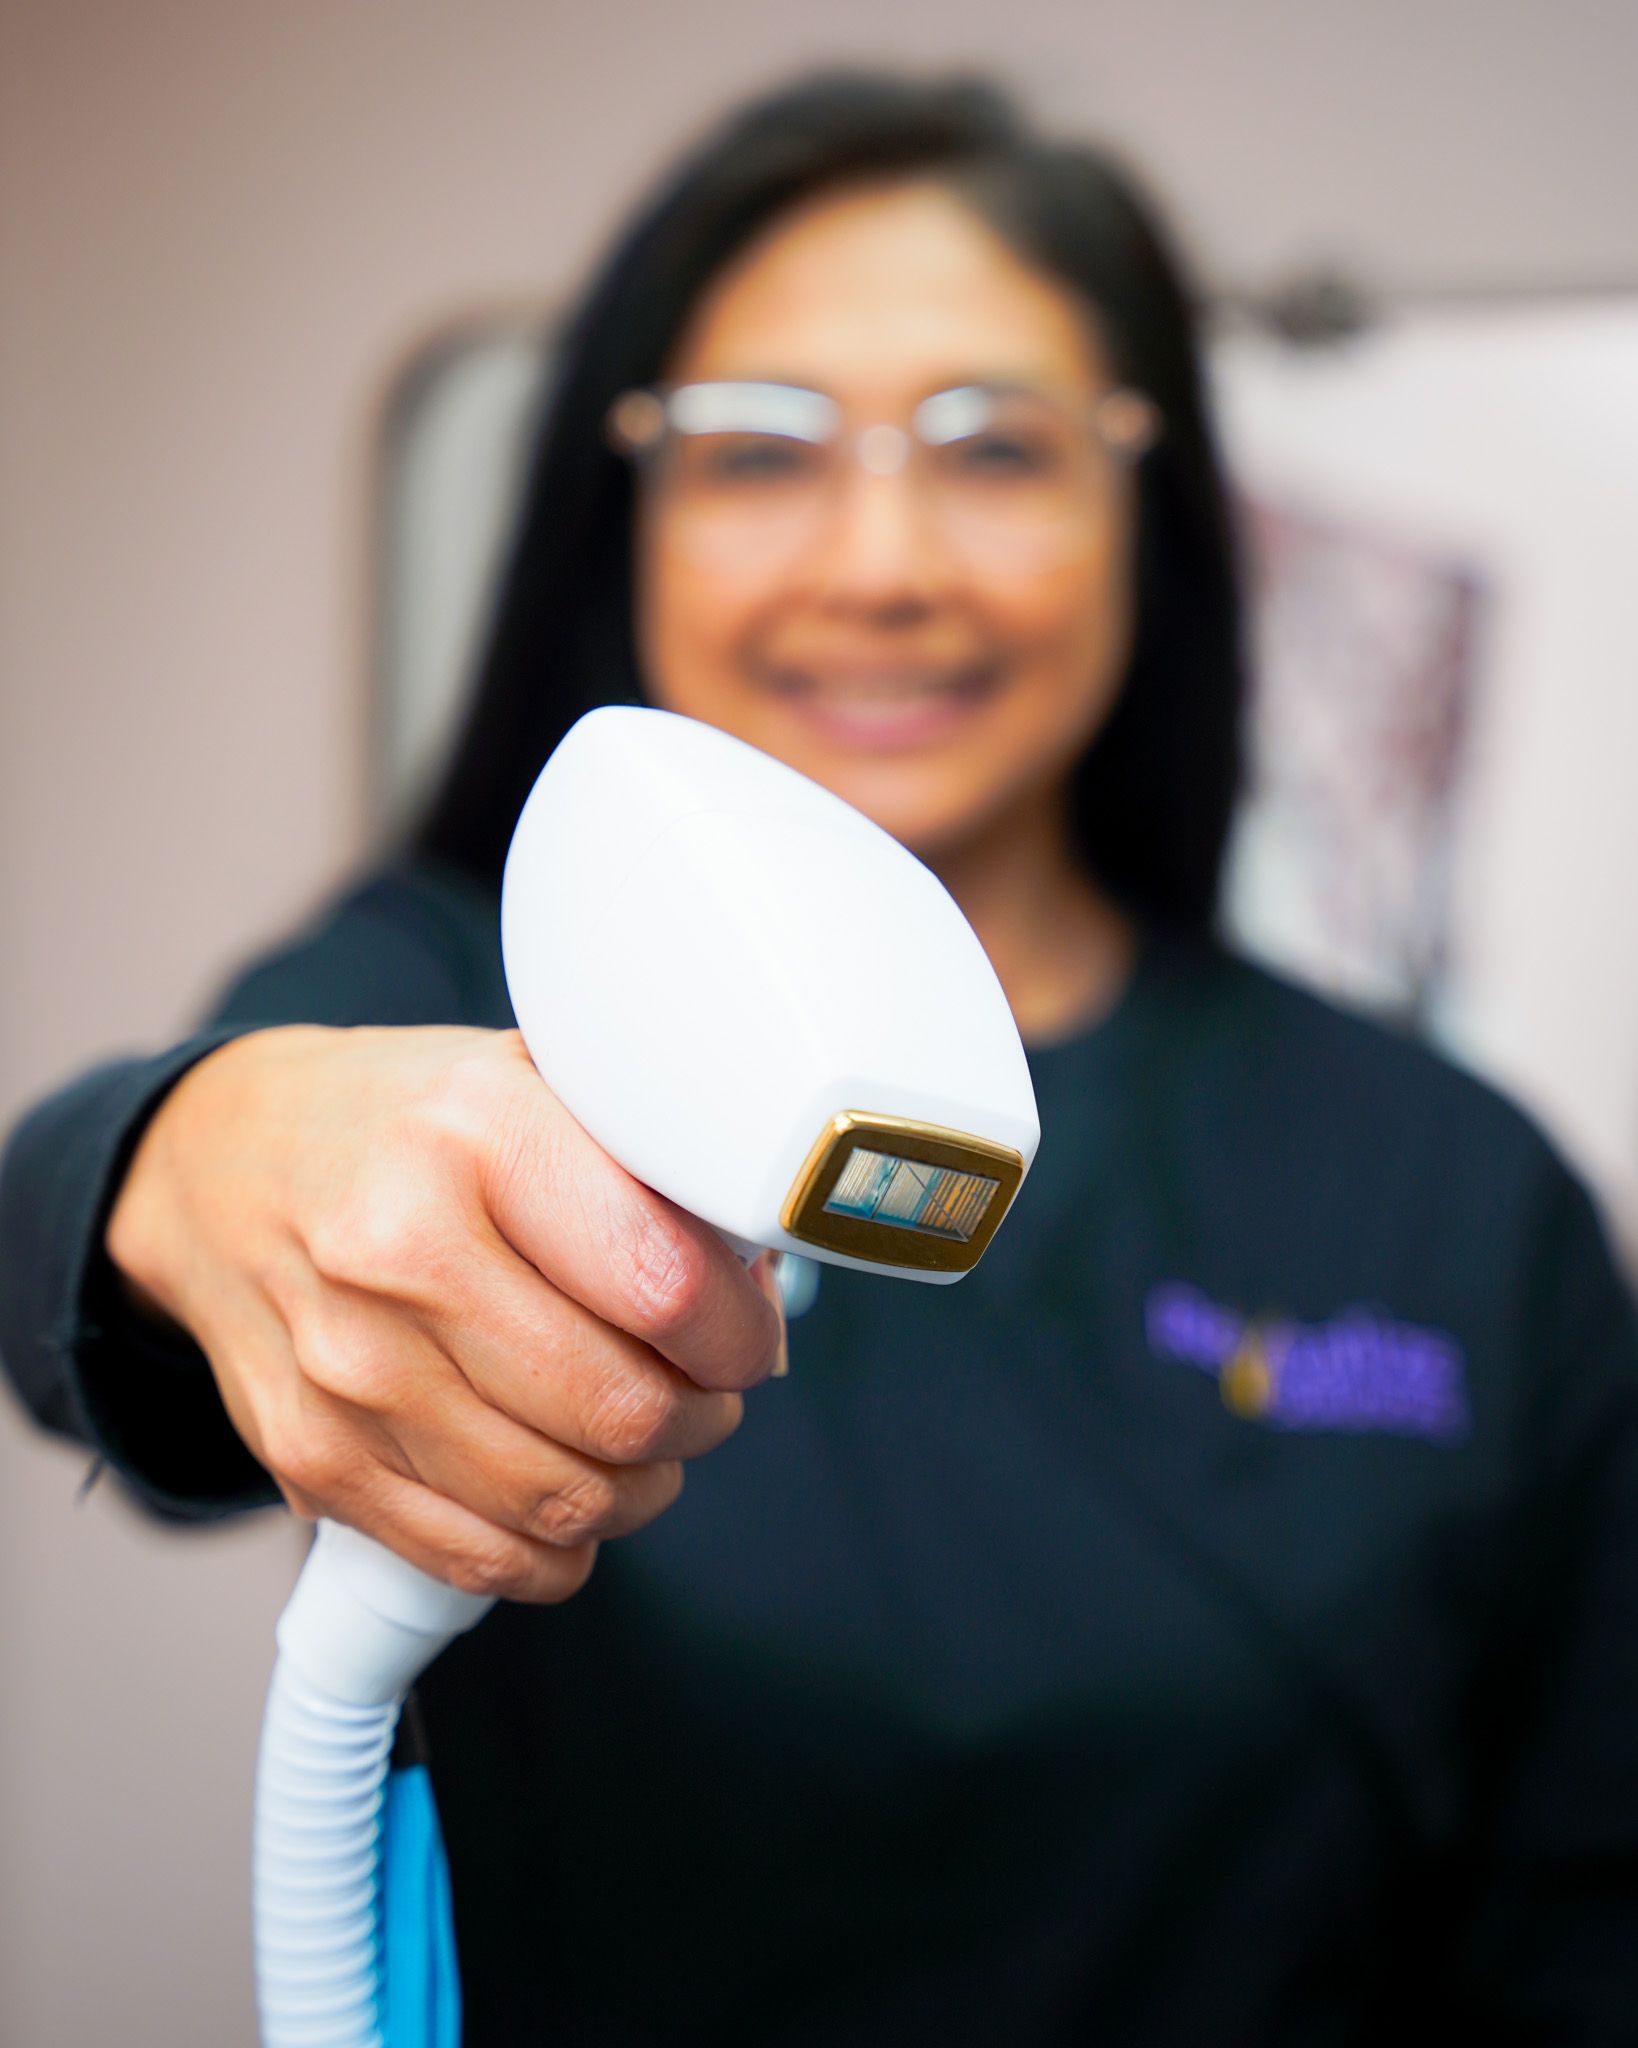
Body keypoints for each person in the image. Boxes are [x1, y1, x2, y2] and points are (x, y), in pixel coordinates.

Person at [3, 71, 1636, 2047]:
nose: (882, 562)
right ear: (633, 510)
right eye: (761, 450)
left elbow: (1577, 1913)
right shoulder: (471, 993)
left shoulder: (1451, 1187)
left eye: (997, 448)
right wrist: (207, 1157)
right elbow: (90, 1212)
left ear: (1151, 506)